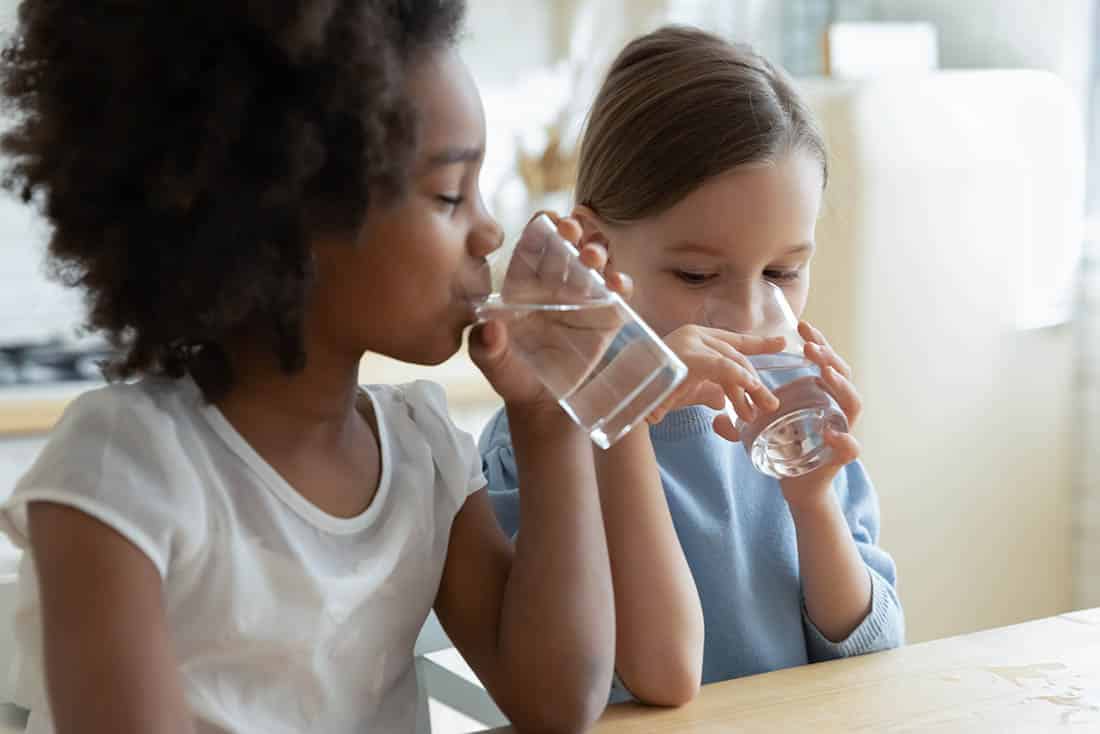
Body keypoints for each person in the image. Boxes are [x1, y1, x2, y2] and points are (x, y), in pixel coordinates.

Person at [0, 2, 618, 732]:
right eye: (450, 195)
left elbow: (559, 702)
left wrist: (549, 417)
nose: (489, 229)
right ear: (285, 219)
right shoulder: (125, 475)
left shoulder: (422, 452)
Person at [481, 25, 905, 705]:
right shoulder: (542, 437)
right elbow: (652, 677)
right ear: (595, 249)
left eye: (783, 270)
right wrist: (623, 400)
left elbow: (872, 658)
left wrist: (814, 503)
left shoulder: (790, 419)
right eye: (698, 273)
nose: (748, 313)